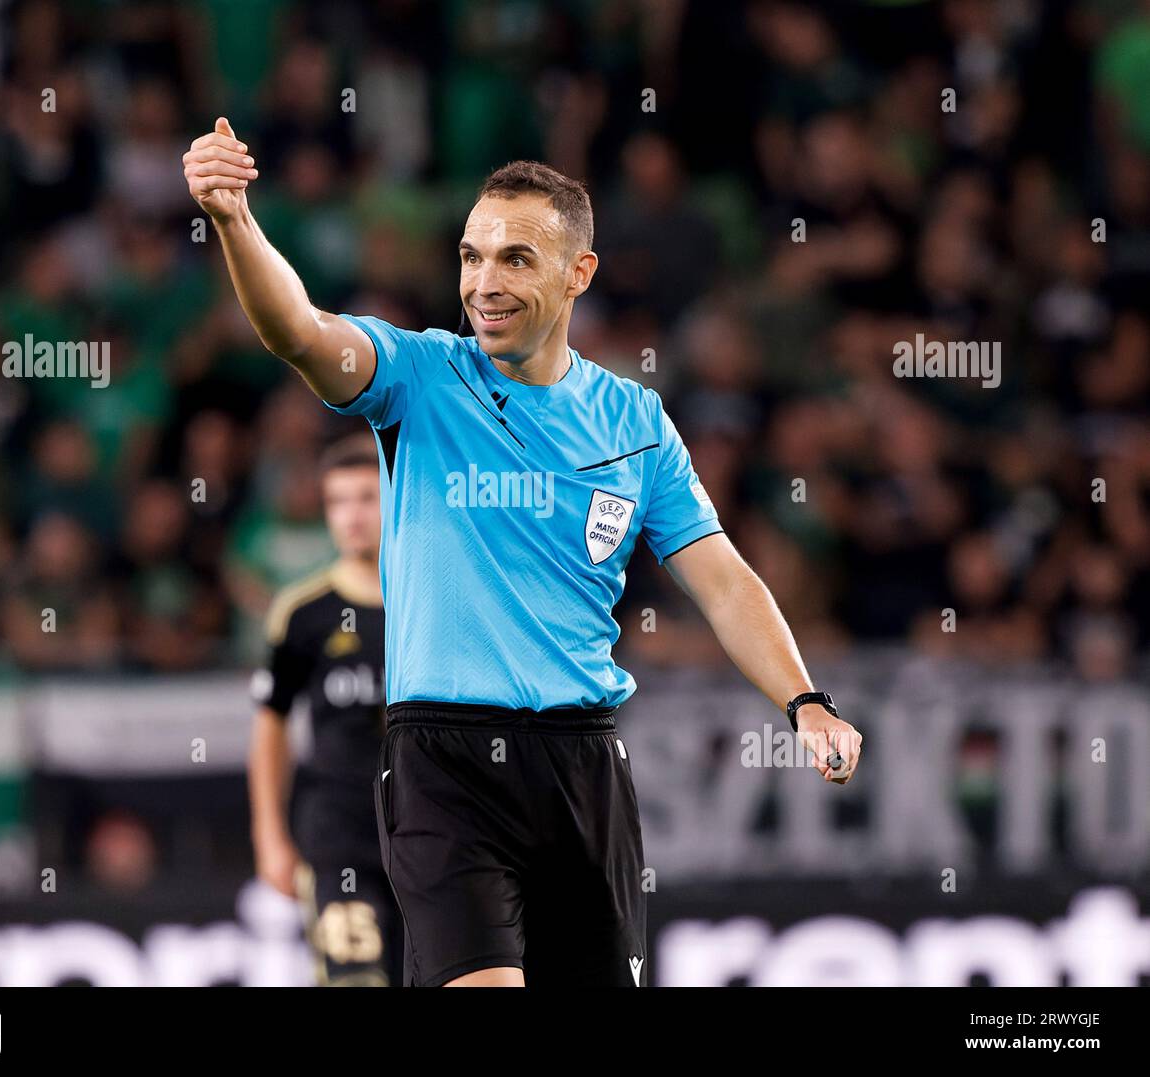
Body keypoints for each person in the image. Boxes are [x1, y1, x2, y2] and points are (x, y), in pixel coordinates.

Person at [190, 118, 863, 987]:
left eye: (514, 258)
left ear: (579, 271)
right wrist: (236, 222)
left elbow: (724, 581)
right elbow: (300, 332)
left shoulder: (633, 423)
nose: (483, 282)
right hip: (445, 762)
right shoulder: (419, 377)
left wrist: (805, 701)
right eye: (471, 257)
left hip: (583, 764)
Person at [246, 434, 400, 986]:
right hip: (338, 831)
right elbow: (271, 726)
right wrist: (269, 835)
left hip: (429, 833)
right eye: (338, 502)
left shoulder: (433, 601)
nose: (352, 516)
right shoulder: (303, 613)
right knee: (355, 977)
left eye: (366, 498)